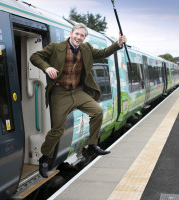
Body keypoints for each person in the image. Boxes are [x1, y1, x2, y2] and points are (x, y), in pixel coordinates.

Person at [30, 23, 127, 178]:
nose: (79, 38)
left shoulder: (86, 49)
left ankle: (92, 145)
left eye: (82, 36)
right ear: (71, 33)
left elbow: (103, 53)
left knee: (97, 112)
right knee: (58, 130)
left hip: (78, 90)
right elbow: (35, 57)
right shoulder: (56, 47)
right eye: (77, 34)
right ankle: (44, 158)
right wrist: (47, 67)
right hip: (60, 92)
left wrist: (117, 44)